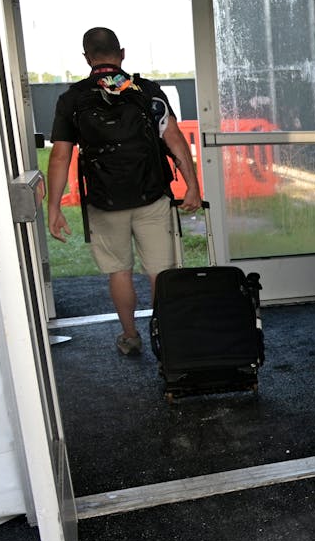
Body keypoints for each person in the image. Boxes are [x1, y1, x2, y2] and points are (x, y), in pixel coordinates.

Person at [45, 27, 202, 355]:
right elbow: (173, 139)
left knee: (119, 271)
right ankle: (166, 333)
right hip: (152, 196)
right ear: (122, 54)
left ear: (87, 58)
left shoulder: (73, 99)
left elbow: (60, 155)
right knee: (160, 270)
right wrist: (192, 185)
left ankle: (130, 337)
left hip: (104, 203)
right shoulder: (146, 91)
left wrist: (54, 207)